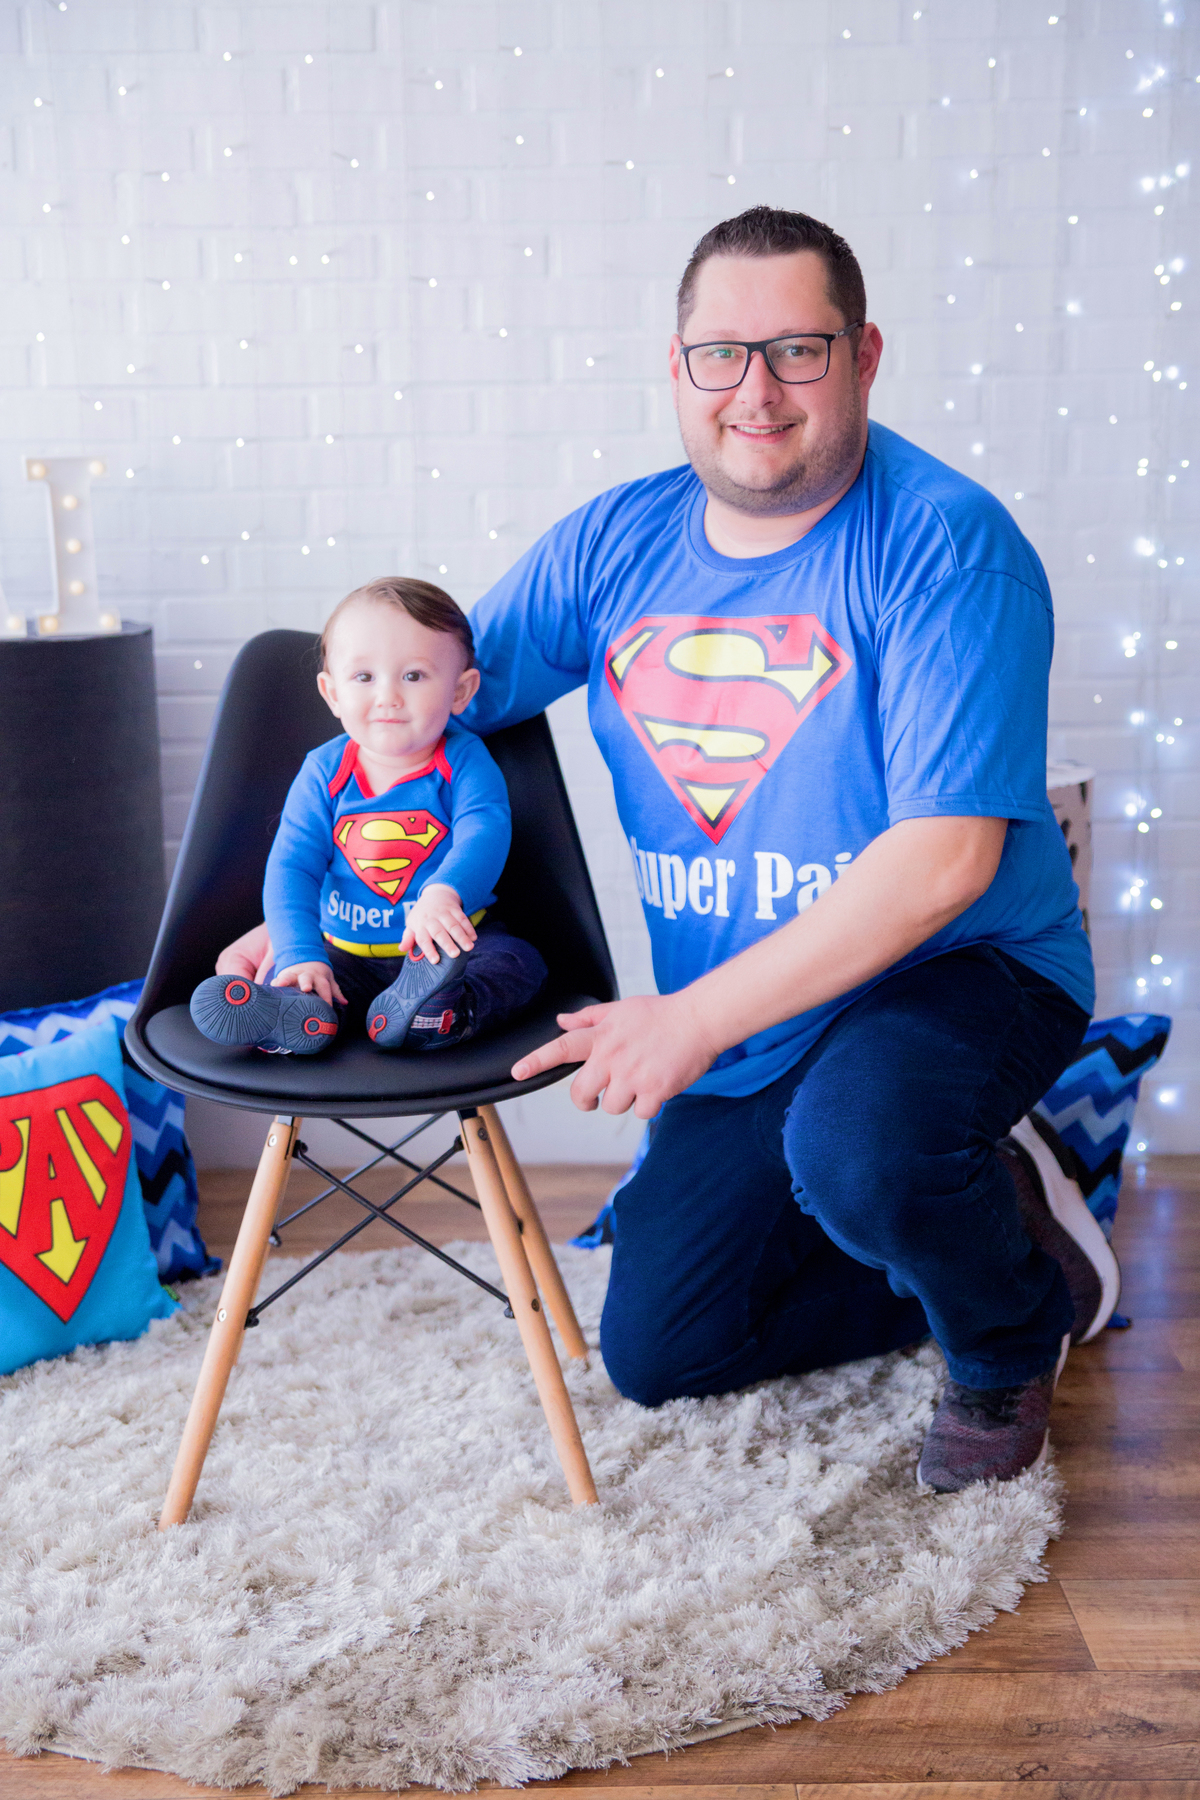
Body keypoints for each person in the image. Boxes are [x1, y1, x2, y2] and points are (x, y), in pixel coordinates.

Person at [219, 209, 1116, 1492]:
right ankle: (972, 1211)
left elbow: (942, 866)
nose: (755, 390)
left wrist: (688, 1020)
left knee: (860, 1147)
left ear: (865, 356)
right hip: (749, 1015)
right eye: (719, 353)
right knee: (666, 1348)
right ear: (677, 366)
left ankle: (1012, 1321)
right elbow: (427, 706)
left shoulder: (947, 548)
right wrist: (319, 891)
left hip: (959, 969)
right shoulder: (613, 544)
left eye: (798, 350)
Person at [193, 577, 546, 1056]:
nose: (389, 696)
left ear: (460, 692)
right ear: (332, 692)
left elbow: (484, 830)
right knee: (316, 983)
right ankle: (292, 1016)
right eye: (364, 678)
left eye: (414, 676)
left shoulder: (464, 759)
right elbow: (291, 867)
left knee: (516, 962)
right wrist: (300, 954)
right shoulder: (325, 770)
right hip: (345, 953)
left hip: (447, 950)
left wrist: (446, 892)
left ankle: (444, 1008)